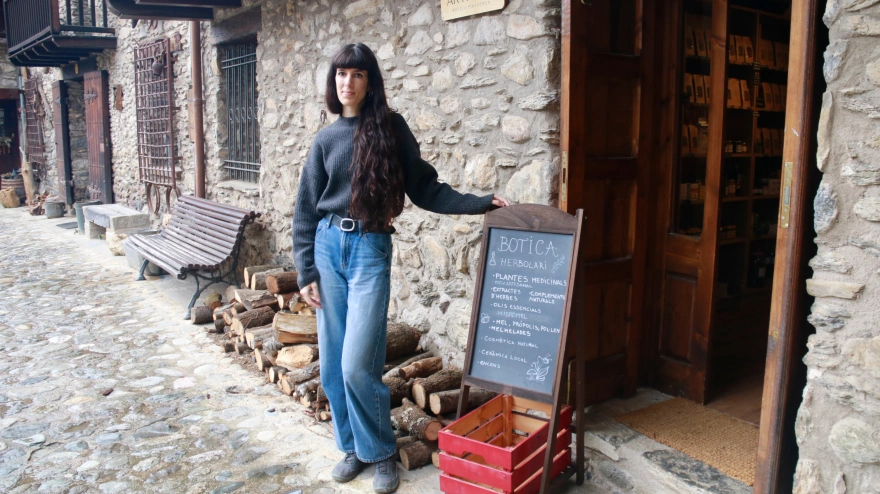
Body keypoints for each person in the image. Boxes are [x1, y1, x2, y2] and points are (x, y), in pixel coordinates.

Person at [292, 43, 509, 493]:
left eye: (356, 75)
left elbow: (425, 187)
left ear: (370, 82)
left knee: (358, 365)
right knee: (333, 367)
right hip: (329, 247)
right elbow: (305, 213)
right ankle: (353, 447)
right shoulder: (325, 140)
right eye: (340, 75)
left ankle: (382, 450)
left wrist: (479, 203)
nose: (346, 82)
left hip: (370, 247)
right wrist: (306, 270)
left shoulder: (391, 128)